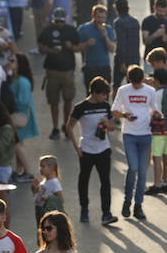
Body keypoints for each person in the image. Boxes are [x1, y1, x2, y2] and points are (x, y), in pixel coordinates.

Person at [66, 76, 118, 226]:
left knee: (105, 182)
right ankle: (84, 209)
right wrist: (77, 147)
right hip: (87, 150)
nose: (105, 97)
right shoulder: (80, 107)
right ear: (94, 93)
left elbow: (113, 127)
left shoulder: (106, 106)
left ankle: (106, 213)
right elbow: (70, 127)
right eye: (103, 94)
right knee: (84, 180)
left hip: (103, 149)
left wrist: (107, 123)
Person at [111, 65, 156, 219]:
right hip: (129, 134)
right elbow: (114, 110)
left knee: (143, 171)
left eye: (139, 83)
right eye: (134, 83)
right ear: (130, 80)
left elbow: (154, 109)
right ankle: (127, 200)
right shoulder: (123, 91)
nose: (137, 86)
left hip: (145, 134)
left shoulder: (150, 91)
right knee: (133, 168)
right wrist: (124, 115)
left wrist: (157, 116)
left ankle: (138, 205)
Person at [38, 8, 81, 140]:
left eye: (62, 21)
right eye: (57, 21)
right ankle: (55, 127)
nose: (59, 24)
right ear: (53, 20)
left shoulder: (71, 30)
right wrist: (51, 50)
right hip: (52, 72)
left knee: (68, 100)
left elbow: (78, 47)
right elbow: (40, 48)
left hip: (67, 71)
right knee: (54, 102)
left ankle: (66, 125)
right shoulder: (48, 30)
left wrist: (70, 47)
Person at [6, 54, 38, 182]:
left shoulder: (22, 82)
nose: (10, 62)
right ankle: (20, 170)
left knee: (16, 144)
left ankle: (28, 172)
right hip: (17, 116)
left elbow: (23, 102)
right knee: (18, 143)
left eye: (12, 60)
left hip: (20, 116)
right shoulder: (14, 79)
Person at [147, 67, 167, 195]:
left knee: (157, 157)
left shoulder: (157, 94)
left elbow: (155, 112)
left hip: (160, 130)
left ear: (156, 81)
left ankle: (157, 184)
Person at [78, 4, 116, 91]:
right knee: (90, 94)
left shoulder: (108, 29)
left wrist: (105, 36)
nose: (101, 20)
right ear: (93, 16)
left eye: (103, 18)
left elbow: (112, 49)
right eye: (98, 17)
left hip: (104, 66)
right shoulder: (84, 28)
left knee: (104, 94)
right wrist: (87, 44)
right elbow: (76, 48)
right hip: (90, 67)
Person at [112, 0, 141, 90]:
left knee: (116, 85)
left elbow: (121, 43)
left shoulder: (118, 22)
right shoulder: (135, 21)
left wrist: (121, 61)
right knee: (134, 84)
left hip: (122, 57)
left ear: (116, 8)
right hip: (135, 56)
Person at [32, 156, 64, 227]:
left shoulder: (54, 182)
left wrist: (48, 198)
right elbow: (38, 195)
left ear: (52, 168)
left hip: (48, 212)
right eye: (40, 166)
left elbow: (61, 199)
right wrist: (35, 189)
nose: (40, 169)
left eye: (43, 166)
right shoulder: (44, 181)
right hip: (40, 210)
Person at [141, 0, 167, 67]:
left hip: (163, 60)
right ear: (154, 8)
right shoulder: (147, 21)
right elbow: (145, 41)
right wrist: (155, 35)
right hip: (149, 59)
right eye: (159, 11)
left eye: (164, 11)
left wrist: (166, 38)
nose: (162, 13)